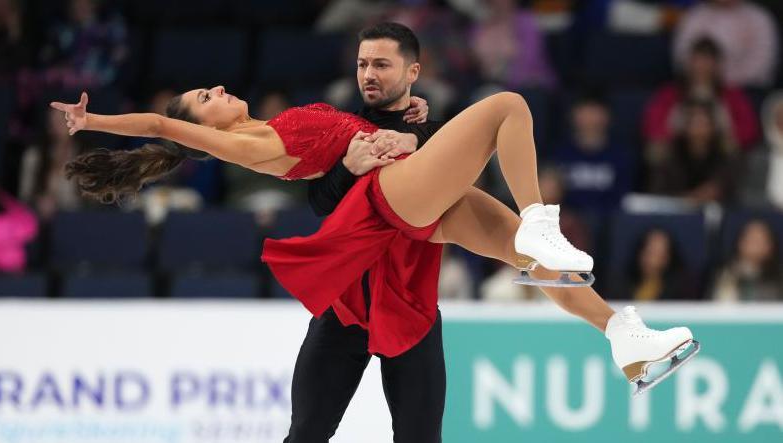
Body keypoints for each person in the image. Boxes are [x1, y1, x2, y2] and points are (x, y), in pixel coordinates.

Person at [51, 25, 698, 400]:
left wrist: (404, 119)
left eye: (212, 87)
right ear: (201, 124)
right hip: (388, 199)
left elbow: (348, 136)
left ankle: (624, 340)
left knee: (525, 258)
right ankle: (541, 218)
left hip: (404, 190)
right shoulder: (244, 143)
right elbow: (163, 121)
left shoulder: (278, 119)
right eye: (206, 96)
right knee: (508, 107)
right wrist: (93, 120)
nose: (218, 90)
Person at [298, 23, 447, 443]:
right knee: (306, 434)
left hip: (410, 309)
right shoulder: (341, 132)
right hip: (343, 306)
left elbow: (456, 161)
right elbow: (320, 205)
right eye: (363, 64)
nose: (368, 74)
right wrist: (349, 168)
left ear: (413, 71)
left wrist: (414, 136)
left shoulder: (437, 135)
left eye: (381, 64)